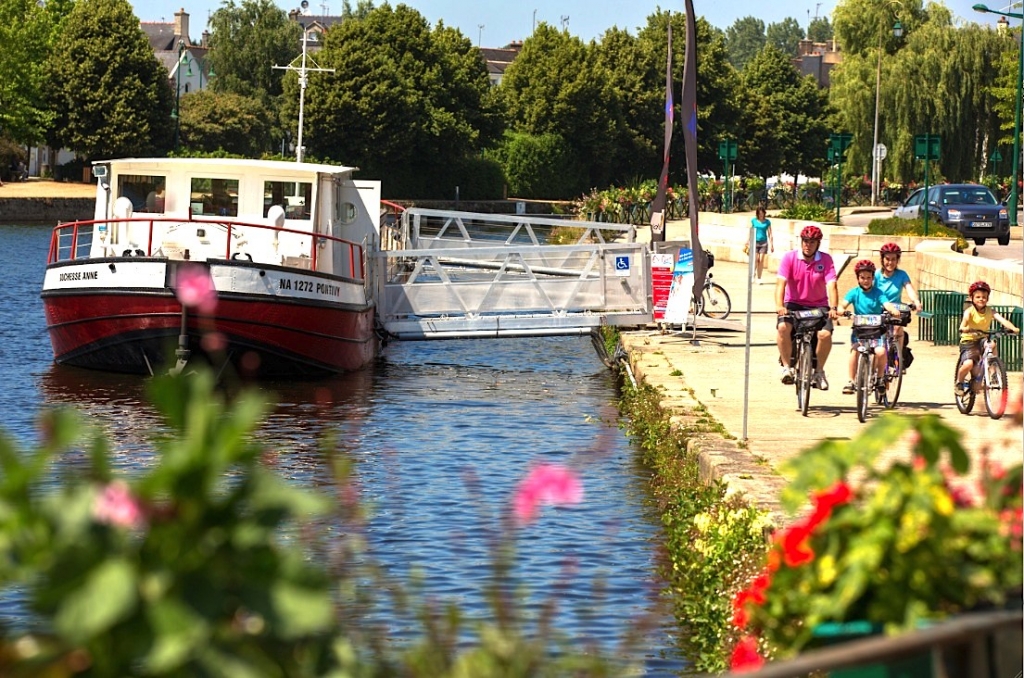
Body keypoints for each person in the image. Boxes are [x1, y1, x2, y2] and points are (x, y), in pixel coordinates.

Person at [776, 225, 839, 390]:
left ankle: (818, 372)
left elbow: (832, 285)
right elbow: (780, 284)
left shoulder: (825, 260)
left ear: (818, 244)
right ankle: (786, 367)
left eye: (812, 242)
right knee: (783, 327)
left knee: (825, 334)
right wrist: (779, 305)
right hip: (794, 304)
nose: (807, 245)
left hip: (819, 305)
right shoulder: (789, 258)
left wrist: (833, 307)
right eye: (805, 241)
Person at [840, 260, 901, 394]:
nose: (866, 281)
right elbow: (843, 304)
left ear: (873, 278)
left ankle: (879, 378)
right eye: (862, 278)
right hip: (860, 331)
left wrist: (893, 310)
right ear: (858, 278)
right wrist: (840, 310)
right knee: (855, 350)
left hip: (876, 330)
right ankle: (851, 381)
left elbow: (886, 304)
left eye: (869, 277)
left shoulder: (878, 293)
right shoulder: (853, 292)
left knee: (880, 352)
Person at [955, 280, 1020, 395]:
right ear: (972, 298)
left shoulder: (991, 311)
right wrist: (965, 328)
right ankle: (959, 382)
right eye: (978, 297)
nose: (981, 299)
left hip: (982, 339)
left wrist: (1013, 328)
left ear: (988, 299)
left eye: (984, 297)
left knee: (992, 344)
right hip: (968, 341)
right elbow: (963, 325)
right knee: (968, 364)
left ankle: (993, 371)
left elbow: (1003, 320)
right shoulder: (969, 312)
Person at [875, 242, 921, 369]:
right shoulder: (876, 275)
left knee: (898, 329)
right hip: (879, 309)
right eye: (887, 259)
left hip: (895, 310)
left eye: (894, 259)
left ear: (898, 260)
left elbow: (909, 288)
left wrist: (916, 301)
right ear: (882, 259)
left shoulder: (901, 275)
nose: (890, 262)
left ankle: (898, 357)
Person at [750, 206, 773, 283]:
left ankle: (759, 278)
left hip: (764, 242)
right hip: (755, 242)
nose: (761, 215)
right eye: (759, 214)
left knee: (761, 260)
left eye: (762, 213)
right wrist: (748, 240)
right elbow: (751, 231)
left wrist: (772, 244)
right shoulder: (754, 221)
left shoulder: (767, 222)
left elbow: (770, 233)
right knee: (755, 259)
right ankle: (753, 275)